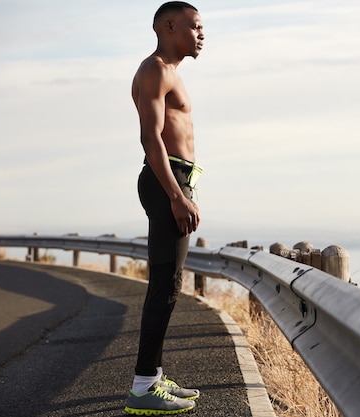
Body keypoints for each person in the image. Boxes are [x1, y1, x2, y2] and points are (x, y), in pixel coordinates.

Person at [125, 2, 205, 415]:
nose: (201, 34)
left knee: (169, 284)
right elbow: (151, 138)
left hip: (175, 179)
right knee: (164, 286)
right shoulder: (155, 69)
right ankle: (142, 387)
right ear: (169, 26)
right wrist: (176, 195)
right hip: (165, 181)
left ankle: (152, 377)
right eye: (194, 26)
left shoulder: (171, 73)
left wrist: (182, 189)